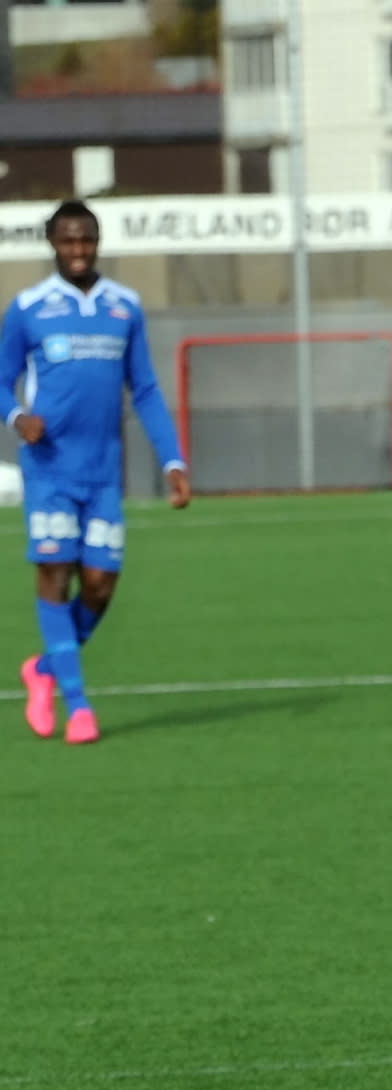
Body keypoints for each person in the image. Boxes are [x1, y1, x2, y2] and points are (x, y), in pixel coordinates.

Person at [6, 200, 192, 744]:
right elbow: (0, 379)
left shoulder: (124, 306)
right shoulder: (28, 307)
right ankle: (79, 706)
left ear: (98, 242)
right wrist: (17, 417)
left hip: (104, 472)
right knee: (55, 571)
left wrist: (173, 459)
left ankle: (42, 669)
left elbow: (146, 389)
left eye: (86, 240)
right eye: (68, 240)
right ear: (52, 243)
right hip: (49, 470)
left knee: (100, 584)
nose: (78, 250)